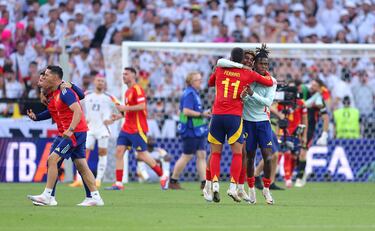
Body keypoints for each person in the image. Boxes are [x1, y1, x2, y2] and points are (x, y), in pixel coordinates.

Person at [27, 65, 104, 206]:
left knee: (52, 160)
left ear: (56, 77)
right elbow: (53, 111)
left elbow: (78, 111)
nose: (43, 77)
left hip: (72, 133)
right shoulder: (54, 94)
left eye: (47, 75)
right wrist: (37, 117)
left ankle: (48, 196)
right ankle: (94, 197)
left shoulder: (64, 92)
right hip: (71, 132)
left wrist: (71, 129)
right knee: (81, 165)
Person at [205, 47, 274, 203]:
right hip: (235, 117)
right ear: (242, 59)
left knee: (215, 153)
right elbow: (269, 81)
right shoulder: (248, 74)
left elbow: (210, 82)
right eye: (246, 59)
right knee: (239, 154)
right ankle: (233, 186)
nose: (249, 61)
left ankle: (215, 184)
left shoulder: (221, 68)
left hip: (217, 115)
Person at [105, 67, 168, 190]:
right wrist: (118, 116)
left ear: (134, 76)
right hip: (126, 128)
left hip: (137, 128)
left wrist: (124, 108)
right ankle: (118, 183)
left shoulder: (137, 89)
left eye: (126, 74)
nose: (124, 76)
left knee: (142, 155)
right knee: (119, 152)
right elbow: (128, 110)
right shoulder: (127, 92)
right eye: (123, 74)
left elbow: (141, 106)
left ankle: (163, 176)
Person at [69, 74, 120, 188]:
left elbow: (121, 108)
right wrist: (82, 118)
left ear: (104, 83)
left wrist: (114, 118)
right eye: (98, 80)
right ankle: (79, 180)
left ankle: (98, 180)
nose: (100, 83)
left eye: (102, 81)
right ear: (94, 81)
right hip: (89, 128)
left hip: (103, 129)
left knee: (102, 153)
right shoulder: (87, 94)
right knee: (82, 153)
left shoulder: (109, 97)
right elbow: (76, 105)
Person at [169, 72, 210, 190]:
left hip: (197, 130)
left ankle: (204, 182)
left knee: (201, 154)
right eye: (198, 80)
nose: (200, 81)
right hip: (190, 130)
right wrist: (202, 114)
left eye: (200, 79)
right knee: (186, 156)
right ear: (191, 82)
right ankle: (173, 180)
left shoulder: (194, 93)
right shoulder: (189, 94)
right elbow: (186, 111)